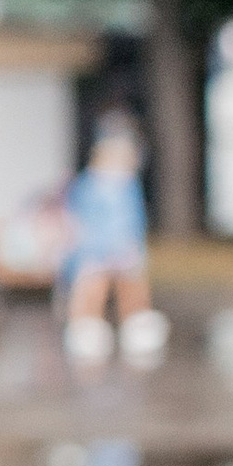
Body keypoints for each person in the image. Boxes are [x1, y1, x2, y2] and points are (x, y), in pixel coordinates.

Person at [59, 112, 170, 364]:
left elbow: (134, 221)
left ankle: (136, 323)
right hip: (95, 250)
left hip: (124, 249)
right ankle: (85, 325)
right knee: (92, 285)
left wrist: (132, 247)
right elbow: (81, 220)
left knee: (132, 285)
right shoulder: (89, 185)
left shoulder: (128, 185)